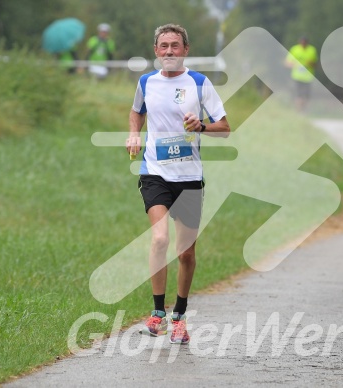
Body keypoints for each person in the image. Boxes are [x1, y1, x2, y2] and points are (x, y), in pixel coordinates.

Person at [126, 24, 230, 343]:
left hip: (188, 177)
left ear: (185, 50)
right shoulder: (146, 82)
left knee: (185, 253)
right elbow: (136, 112)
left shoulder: (199, 83)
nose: (169, 51)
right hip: (155, 172)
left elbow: (225, 127)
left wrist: (201, 126)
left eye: (175, 46)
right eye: (163, 46)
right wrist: (133, 133)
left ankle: (180, 316)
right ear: (156, 51)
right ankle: (158, 311)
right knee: (159, 240)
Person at [285, 36, 319, 112]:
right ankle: (299, 111)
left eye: (305, 43)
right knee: (299, 95)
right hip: (297, 77)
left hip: (308, 77)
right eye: (302, 43)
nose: (303, 45)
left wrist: (310, 64)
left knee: (307, 95)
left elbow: (315, 64)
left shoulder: (312, 50)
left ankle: (305, 110)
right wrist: (295, 65)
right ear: (299, 42)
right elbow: (287, 63)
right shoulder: (295, 49)